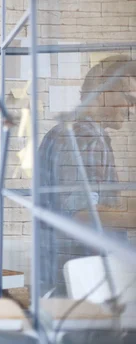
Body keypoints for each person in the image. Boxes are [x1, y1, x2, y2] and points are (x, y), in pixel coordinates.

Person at [38, 55, 136, 296]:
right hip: (85, 279)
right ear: (103, 91)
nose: (131, 107)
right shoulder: (87, 136)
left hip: (65, 274)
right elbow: (83, 214)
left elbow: (92, 203)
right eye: (128, 97)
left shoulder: (65, 132)